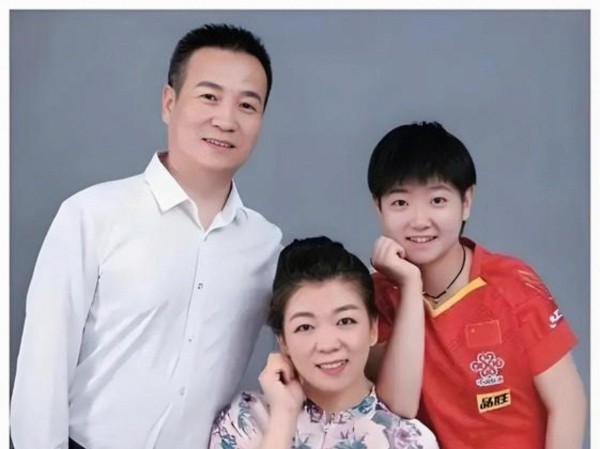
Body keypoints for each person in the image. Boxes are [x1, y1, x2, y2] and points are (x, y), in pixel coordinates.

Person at [10, 24, 282, 449]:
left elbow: (321, 343)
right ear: (169, 103)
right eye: (209, 97)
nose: (226, 120)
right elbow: (42, 367)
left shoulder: (265, 245)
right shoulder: (91, 215)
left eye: (247, 105)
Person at [366, 121, 587, 449]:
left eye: (437, 200)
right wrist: (410, 285)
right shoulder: (375, 297)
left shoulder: (511, 283)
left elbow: (568, 402)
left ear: (466, 201)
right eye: (400, 203)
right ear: (378, 207)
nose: (419, 220)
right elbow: (398, 407)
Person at [209, 236, 439, 449]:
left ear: (373, 328)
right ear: (283, 340)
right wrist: (283, 418)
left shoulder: (409, 441)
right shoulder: (244, 421)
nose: (327, 345)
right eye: (305, 327)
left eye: (345, 321)